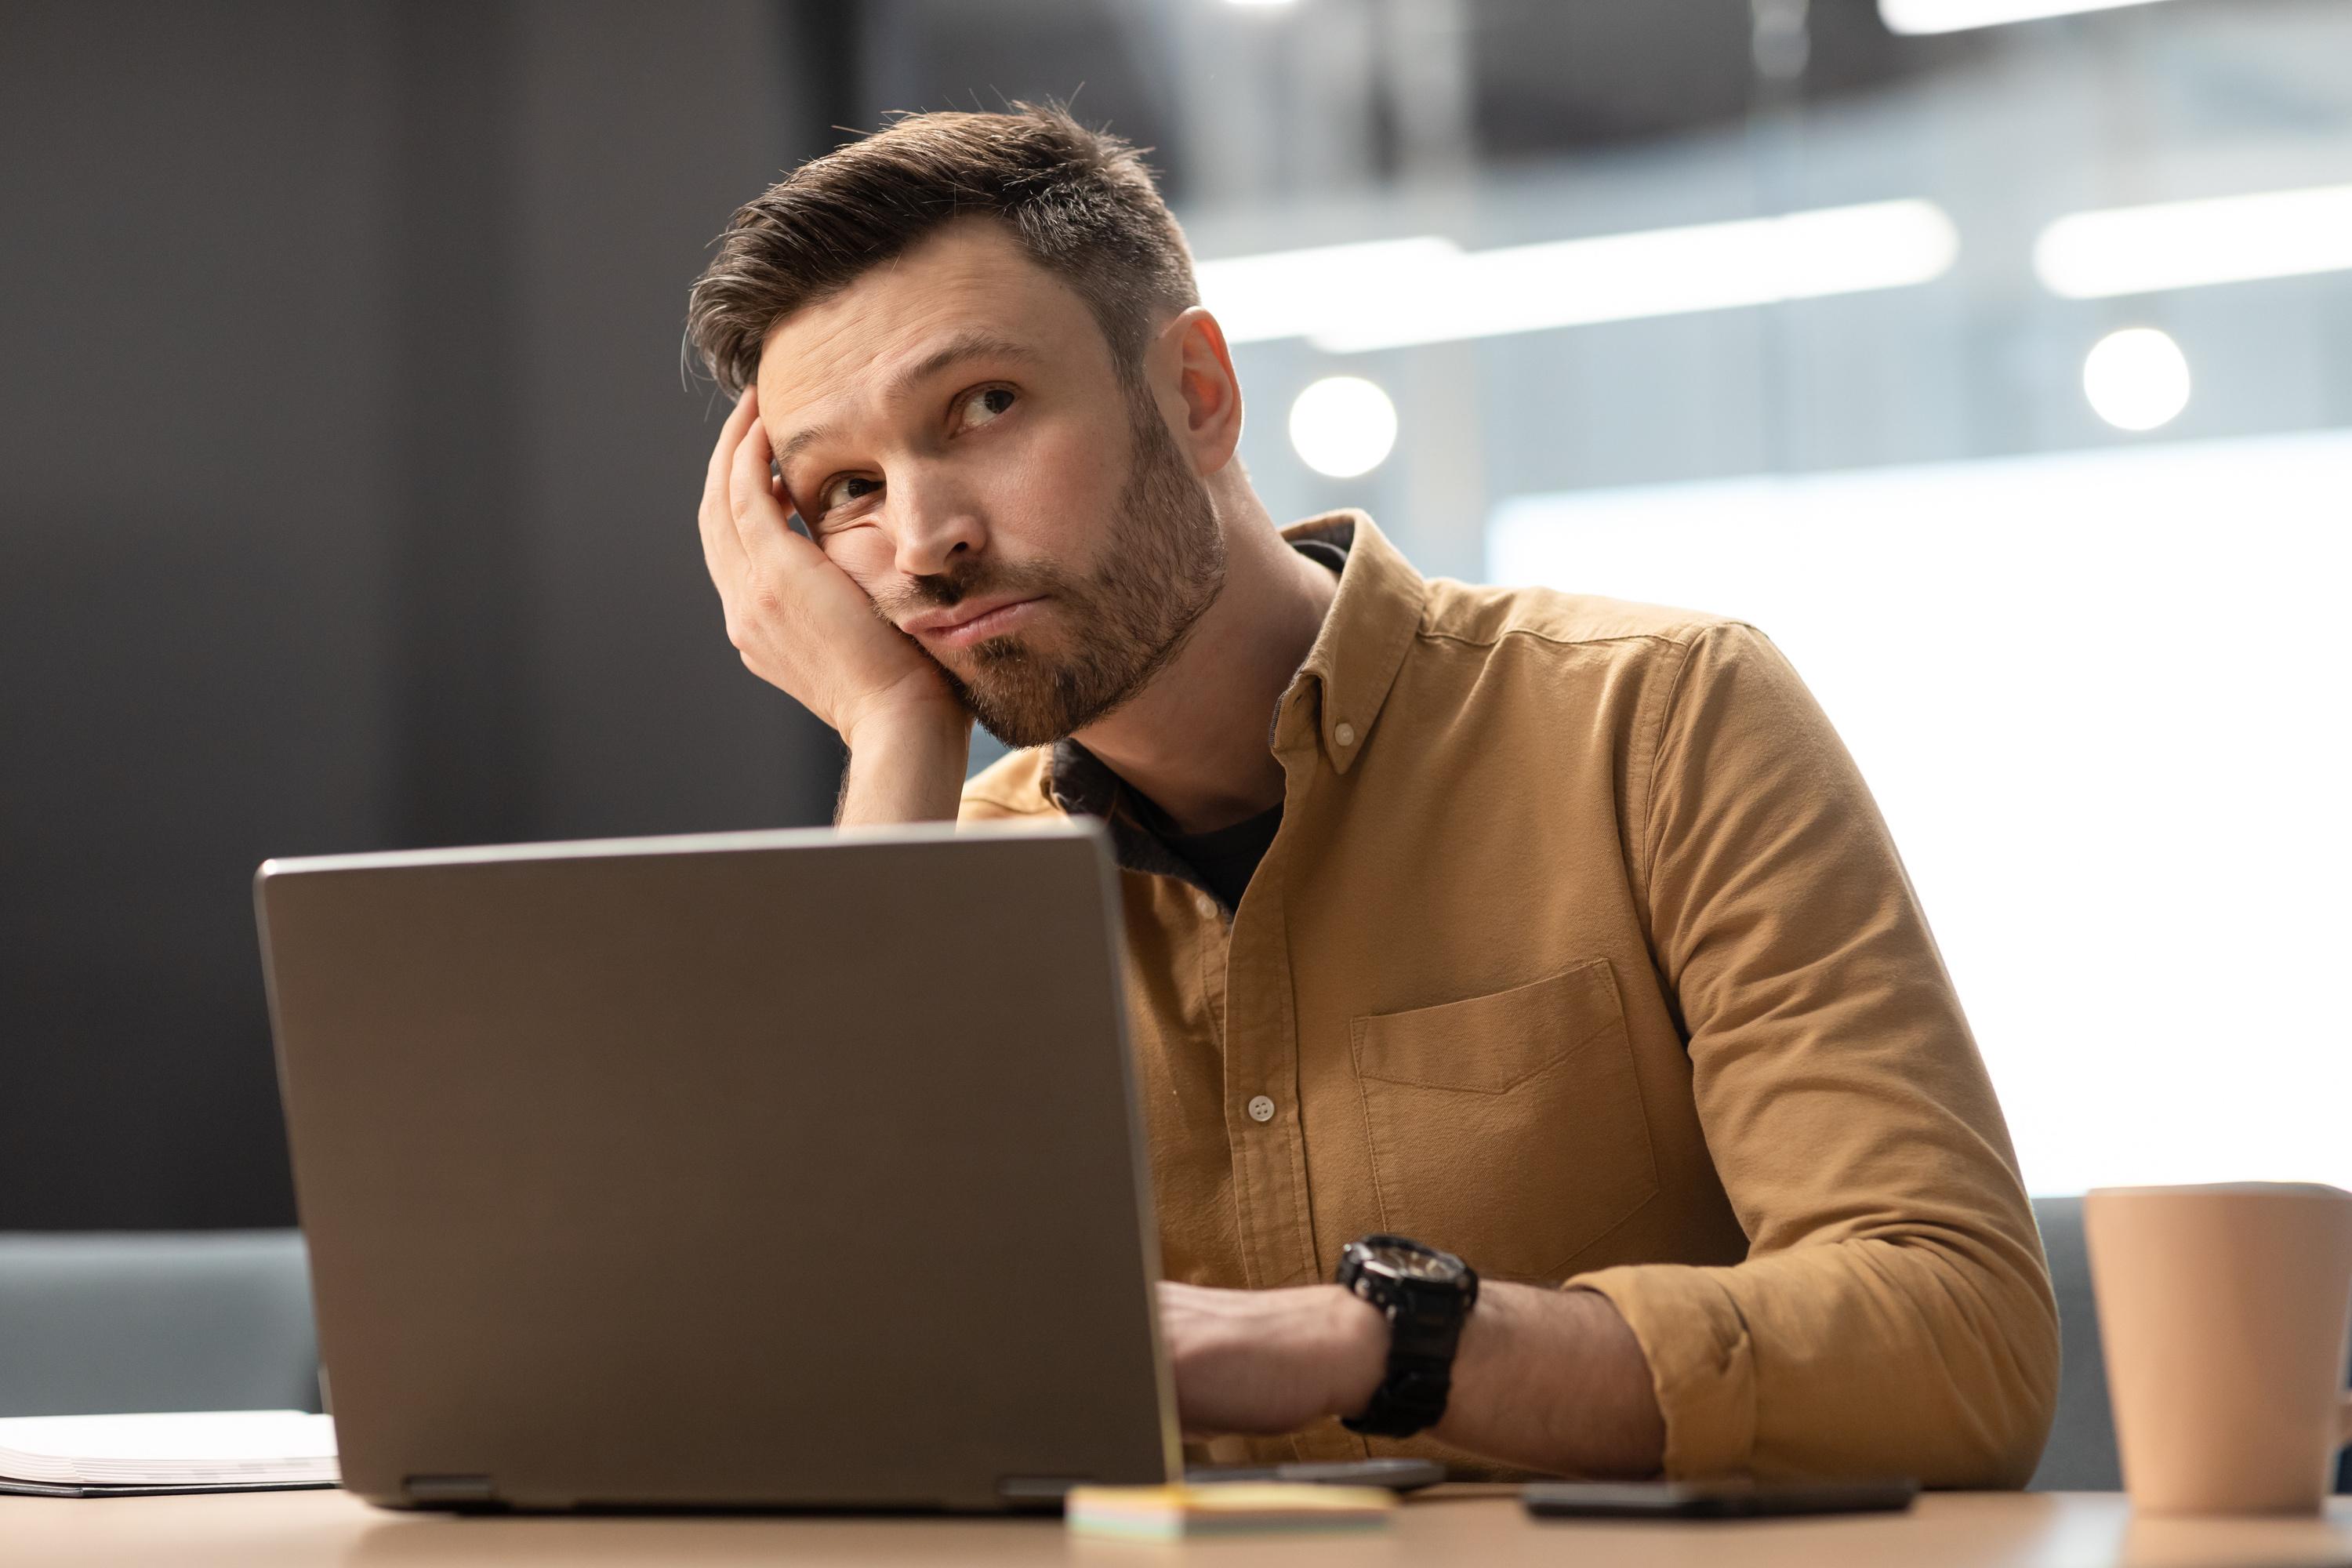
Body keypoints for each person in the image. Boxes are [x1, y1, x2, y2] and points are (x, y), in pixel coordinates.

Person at [686, 103, 2056, 1485]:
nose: (927, 545)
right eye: (847, 490)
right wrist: (892, 732)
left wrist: (1380, 1343)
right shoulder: (947, 882)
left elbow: (1960, 1341)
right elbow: (829, 1411)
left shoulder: (1655, 716)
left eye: (984, 407)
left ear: (1199, 395)